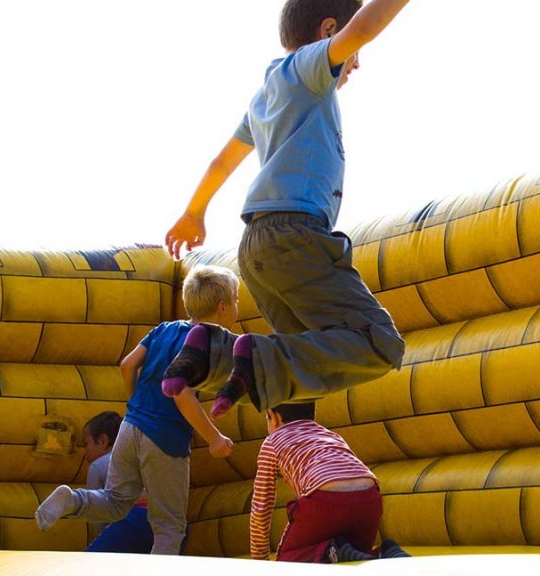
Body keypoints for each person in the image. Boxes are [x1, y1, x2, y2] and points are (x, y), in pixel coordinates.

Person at [161, 0, 409, 420]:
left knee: (302, 364)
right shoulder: (308, 70)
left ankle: (217, 356)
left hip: (256, 247)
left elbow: (223, 160)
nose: (356, 65)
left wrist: (194, 212)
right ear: (328, 29)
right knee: (378, 344)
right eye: (353, 56)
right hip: (295, 236)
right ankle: (249, 358)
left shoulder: (266, 96)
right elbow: (365, 26)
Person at [35, 265, 238, 555]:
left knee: (116, 501)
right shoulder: (205, 343)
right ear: (222, 308)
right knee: (169, 526)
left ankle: (72, 500)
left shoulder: (164, 330)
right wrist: (214, 437)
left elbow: (127, 365)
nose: (237, 307)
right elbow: (181, 392)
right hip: (165, 437)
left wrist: (136, 406)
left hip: (130, 427)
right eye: (236, 300)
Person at [249, 401, 409, 562]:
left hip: (324, 499)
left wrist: (260, 561)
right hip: (369, 498)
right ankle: (387, 551)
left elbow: (261, 506)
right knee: (356, 556)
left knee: (288, 562)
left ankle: (331, 552)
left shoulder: (272, 442)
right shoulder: (330, 435)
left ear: (274, 417)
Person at [81, 410, 154, 554]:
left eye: (86, 444)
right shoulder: (141, 457)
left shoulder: (98, 466)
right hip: (165, 522)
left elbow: (97, 514)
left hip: (134, 519)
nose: (85, 452)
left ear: (102, 441)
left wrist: (104, 539)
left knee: (88, 563)